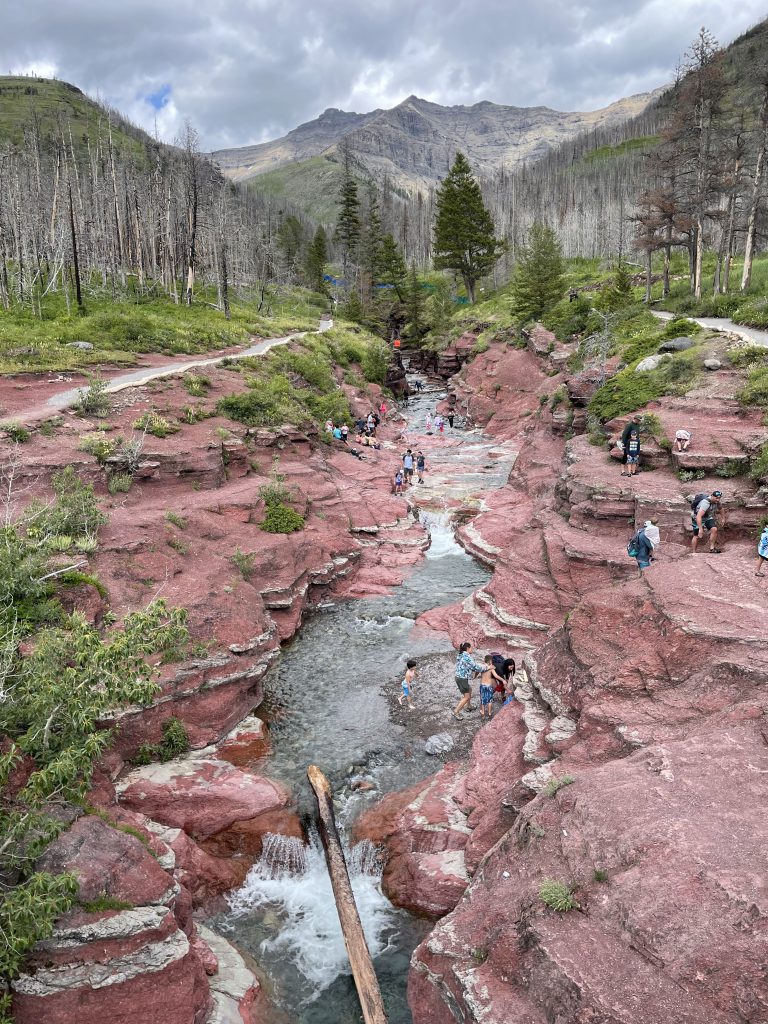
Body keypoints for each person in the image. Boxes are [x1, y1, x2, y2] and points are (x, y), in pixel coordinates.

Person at [453, 641, 485, 719]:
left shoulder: (461, 654)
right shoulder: (467, 656)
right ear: (468, 648)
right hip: (462, 678)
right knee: (466, 697)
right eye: (471, 648)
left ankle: (468, 706)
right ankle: (456, 712)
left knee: (469, 689)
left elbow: (470, 664)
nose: (472, 649)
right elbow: (475, 667)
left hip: (458, 677)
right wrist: (486, 667)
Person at [479, 656, 504, 720]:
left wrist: (474, 676)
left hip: (482, 685)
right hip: (489, 685)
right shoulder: (491, 668)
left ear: (484, 660)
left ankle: (483, 714)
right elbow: (496, 676)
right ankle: (489, 714)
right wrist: (503, 680)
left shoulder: (482, 667)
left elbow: (477, 672)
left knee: (483, 699)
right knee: (489, 700)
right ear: (490, 661)